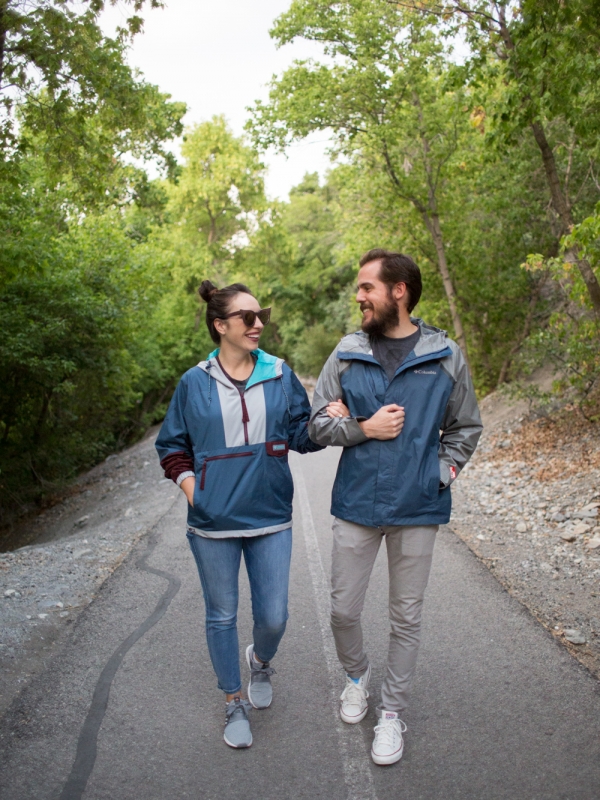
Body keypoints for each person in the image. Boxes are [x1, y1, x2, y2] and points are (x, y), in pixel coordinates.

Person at [308, 248, 482, 766]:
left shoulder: (445, 355)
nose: (358, 296)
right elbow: (317, 425)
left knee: (406, 617)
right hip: (357, 504)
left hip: (417, 506)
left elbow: (465, 428)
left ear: (398, 291)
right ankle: (357, 678)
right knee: (342, 609)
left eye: (367, 287)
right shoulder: (346, 351)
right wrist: (361, 427)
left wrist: (441, 472)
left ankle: (390, 714)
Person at [156, 280, 322, 749]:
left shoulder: (280, 373)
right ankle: (233, 701)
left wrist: (333, 419)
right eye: (247, 317)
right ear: (220, 325)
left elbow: (302, 437)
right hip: (212, 524)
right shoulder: (194, 382)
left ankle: (261, 662)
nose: (258, 324)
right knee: (222, 615)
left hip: (270, 514)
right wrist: (195, 492)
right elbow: (172, 447)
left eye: (260, 315)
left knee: (274, 616)